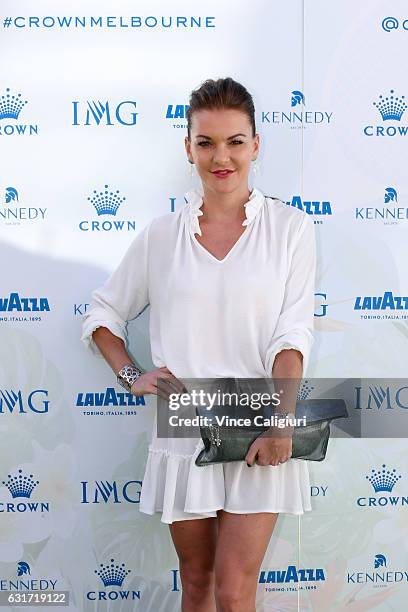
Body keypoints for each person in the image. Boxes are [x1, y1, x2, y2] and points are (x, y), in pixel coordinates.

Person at [81, 77, 316, 612]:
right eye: (206, 142)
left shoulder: (292, 230)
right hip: (184, 430)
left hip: (260, 426)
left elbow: (291, 336)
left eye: (235, 141)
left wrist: (281, 420)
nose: (221, 157)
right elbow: (103, 314)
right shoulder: (161, 235)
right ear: (188, 148)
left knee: (235, 594)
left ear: (256, 145)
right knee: (198, 586)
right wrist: (130, 374)